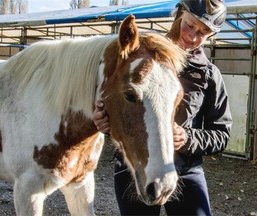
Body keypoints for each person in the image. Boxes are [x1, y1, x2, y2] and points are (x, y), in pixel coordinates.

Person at [93, 0, 233, 215]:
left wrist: (188, 138)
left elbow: (221, 134)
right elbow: (118, 103)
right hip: (135, 165)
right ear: (179, 14)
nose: (192, 36)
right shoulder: (138, 55)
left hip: (185, 168)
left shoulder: (209, 74)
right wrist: (104, 121)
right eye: (190, 25)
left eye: (203, 32)